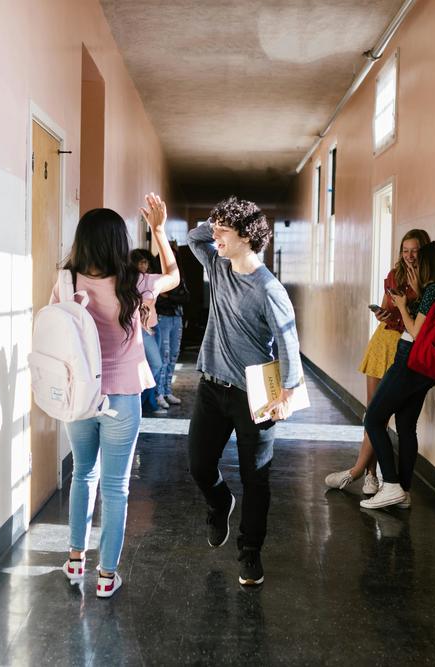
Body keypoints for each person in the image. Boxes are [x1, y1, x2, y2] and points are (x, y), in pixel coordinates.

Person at [58, 195, 179, 598]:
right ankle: (107, 576)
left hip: (80, 396)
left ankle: (76, 559)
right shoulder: (135, 284)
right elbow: (175, 276)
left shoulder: (65, 282)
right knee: (115, 486)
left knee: (82, 474)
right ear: (118, 242)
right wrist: (159, 231)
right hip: (122, 398)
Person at [187, 196, 303, 587]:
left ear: (247, 236)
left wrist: (287, 392)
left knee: (257, 479)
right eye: (216, 229)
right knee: (199, 466)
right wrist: (218, 219)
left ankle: (250, 553)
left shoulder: (269, 289)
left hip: (255, 396)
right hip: (211, 387)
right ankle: (220, 503)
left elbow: (288, 343)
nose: (215, 235)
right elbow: (193, 237)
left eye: (224, 230)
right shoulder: (218, 267)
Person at [324, 229, 430, 495]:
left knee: (392, 417)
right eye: (405, 250)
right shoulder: (395, 275)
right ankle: (370, 475)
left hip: (406, 348)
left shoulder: (430, 281)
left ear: (424, 250)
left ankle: (360, 472)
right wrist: (383, 314)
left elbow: (420, 322)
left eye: (414, 250)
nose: (409, 256)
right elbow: (388, 312)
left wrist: (416, 292)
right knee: (374, 413)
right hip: (383, 342)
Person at [360, 240, 435, 510]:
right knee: (406, 427)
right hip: (427, 370)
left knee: (373, 418)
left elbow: (416, 332)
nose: (417, 263)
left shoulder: (432, 291)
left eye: (422, 259)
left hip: (410, 361)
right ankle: (403, 491)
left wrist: (404, 305)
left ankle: (391, 485)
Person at [129, 248, 165, 414]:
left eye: (146, 262)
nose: (144, 265)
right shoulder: (129, 281)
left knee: (153, 364)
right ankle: (141, 400)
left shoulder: (151, 279)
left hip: (154, 324)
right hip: (142, 328)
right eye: (141, 262)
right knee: (155, 364)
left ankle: (148, 402)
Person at [155, 240, 189, 407]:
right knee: (164, 356)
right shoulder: (156, 274)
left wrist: (170, 297)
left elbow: (186, 297)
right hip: (162, 318)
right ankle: (159, 393)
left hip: (177, 317)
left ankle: (167, 391)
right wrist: (172, 298)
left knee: (174, 355)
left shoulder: (179, 274)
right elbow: (156, 300)